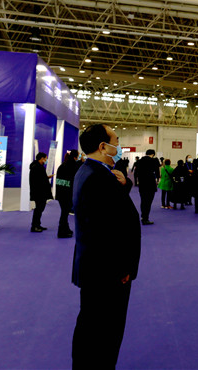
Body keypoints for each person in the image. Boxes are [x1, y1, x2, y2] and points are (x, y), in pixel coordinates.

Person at [71, 123, 141, 369]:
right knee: (105, 334)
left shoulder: (88, 171)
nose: (118, 146)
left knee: (91, 328)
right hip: (106, 273)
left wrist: (123, 186)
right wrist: (122, 268)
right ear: (103, 146)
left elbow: (108, 212)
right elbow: (108, 230)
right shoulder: (99, 178)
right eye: (116, 141)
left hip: (95, 268)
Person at [54, 150, 78, 238]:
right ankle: (61, 231)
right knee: (64, 213)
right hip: (68, 194)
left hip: (60, 193)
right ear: (75, 157)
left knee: (64, 212)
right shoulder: (74, 166)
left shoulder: (62, 165)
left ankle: (66, 229)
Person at [29, 152, 53, 232]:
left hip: (40, 192)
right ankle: (34, 226)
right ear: (42, 158)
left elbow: (40, 178)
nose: (46, 160)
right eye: (46, 158)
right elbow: (37, 181)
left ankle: (37, 224)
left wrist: (46, 177)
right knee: (38, 209)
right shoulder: (36, 167)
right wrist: (45, 179)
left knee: (40, 209)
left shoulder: (38, 167)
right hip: (39, 192)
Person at [136, 149, 159, 225]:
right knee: (148, 202)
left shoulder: (139, 161)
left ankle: (143, 216)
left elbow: (136, 173)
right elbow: (157, 171)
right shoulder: (154, 161)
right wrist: (157, 179)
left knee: (143, 201)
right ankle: (146, 218)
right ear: (153, 154)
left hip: (142, 184)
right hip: (150, 184)